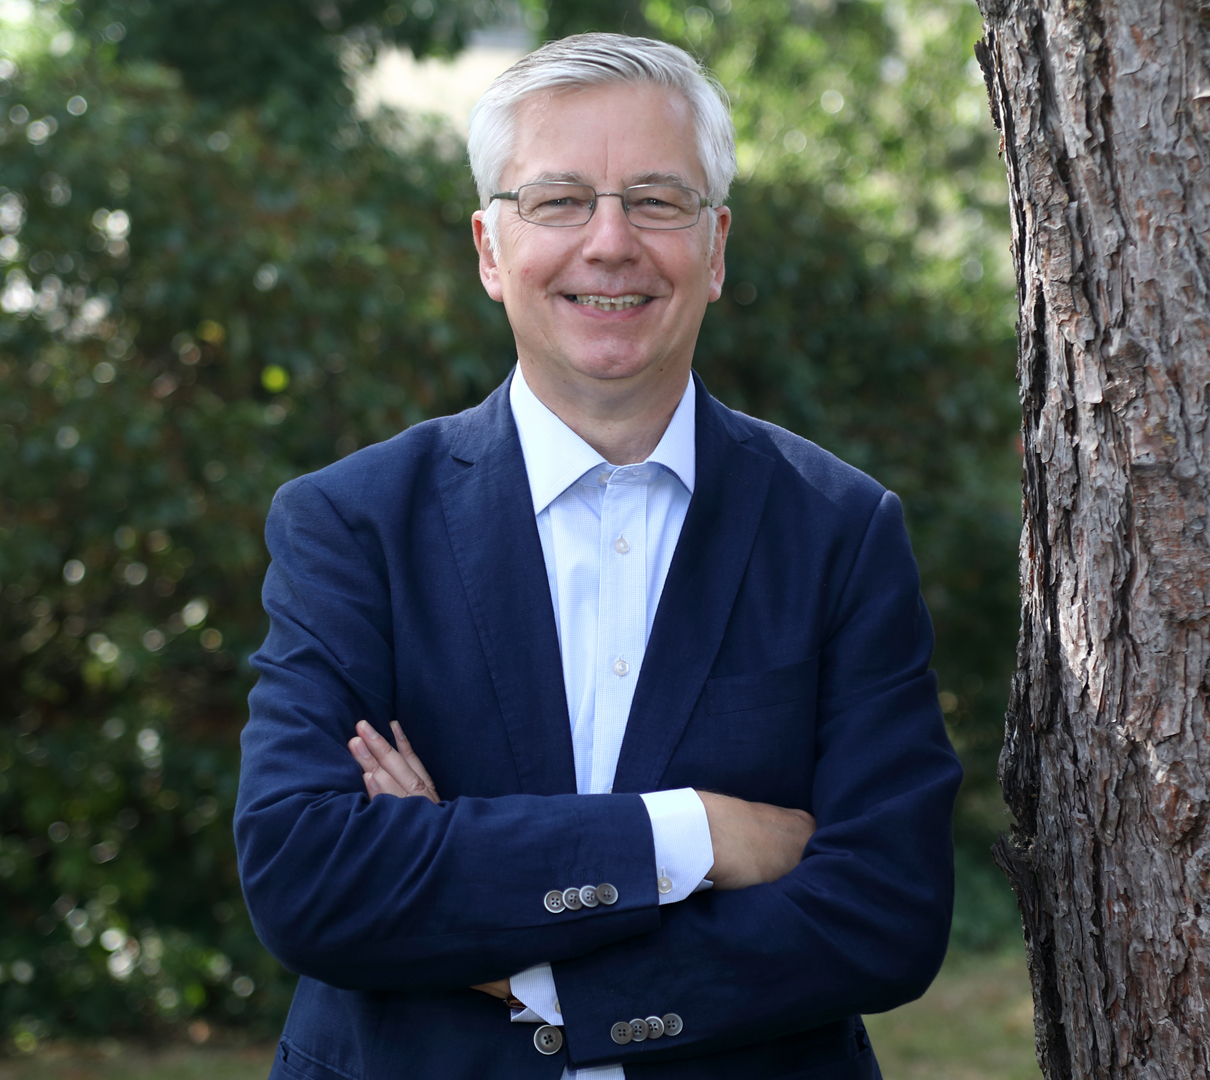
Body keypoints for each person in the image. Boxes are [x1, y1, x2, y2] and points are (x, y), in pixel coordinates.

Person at [234, 32, 961, 1080]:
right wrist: (695, 836)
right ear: (491, 250)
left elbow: (886, 910)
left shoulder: (838, 529)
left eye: (657, 201)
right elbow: (308, 877)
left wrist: (526, 967)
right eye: (559, 200)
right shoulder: (350, 525)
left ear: (716, 247)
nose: (610, 242)